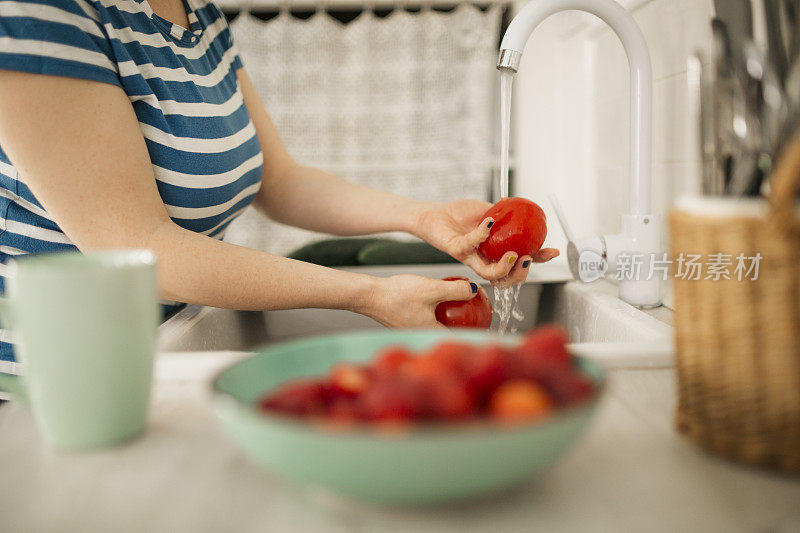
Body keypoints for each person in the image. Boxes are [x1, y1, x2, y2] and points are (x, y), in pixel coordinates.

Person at [0, 0, 559, 366]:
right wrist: (368, 295)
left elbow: (281, 180)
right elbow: (138, 247)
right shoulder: (43, 13)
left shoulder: (199, 15)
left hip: (153, 358)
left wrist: (424, 218)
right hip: (49, 387)